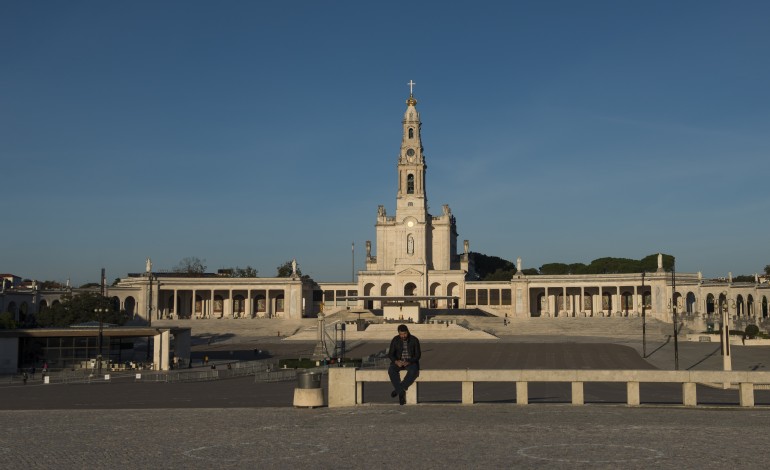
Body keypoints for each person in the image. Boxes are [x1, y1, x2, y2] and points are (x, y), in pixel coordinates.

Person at [387, 324, 421, 405]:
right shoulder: (395, 340)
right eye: (401, 334)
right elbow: (390, 354)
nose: (403, 336)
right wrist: (396, 361)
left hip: (410, 361)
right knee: (391, 370)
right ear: (398, 333)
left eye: (405, 334)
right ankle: (401, 392)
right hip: (398, 361)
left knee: (413, 371)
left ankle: (398, 390)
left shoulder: (414, 340)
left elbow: (418, 355)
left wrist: (409, 361)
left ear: (408, 332)